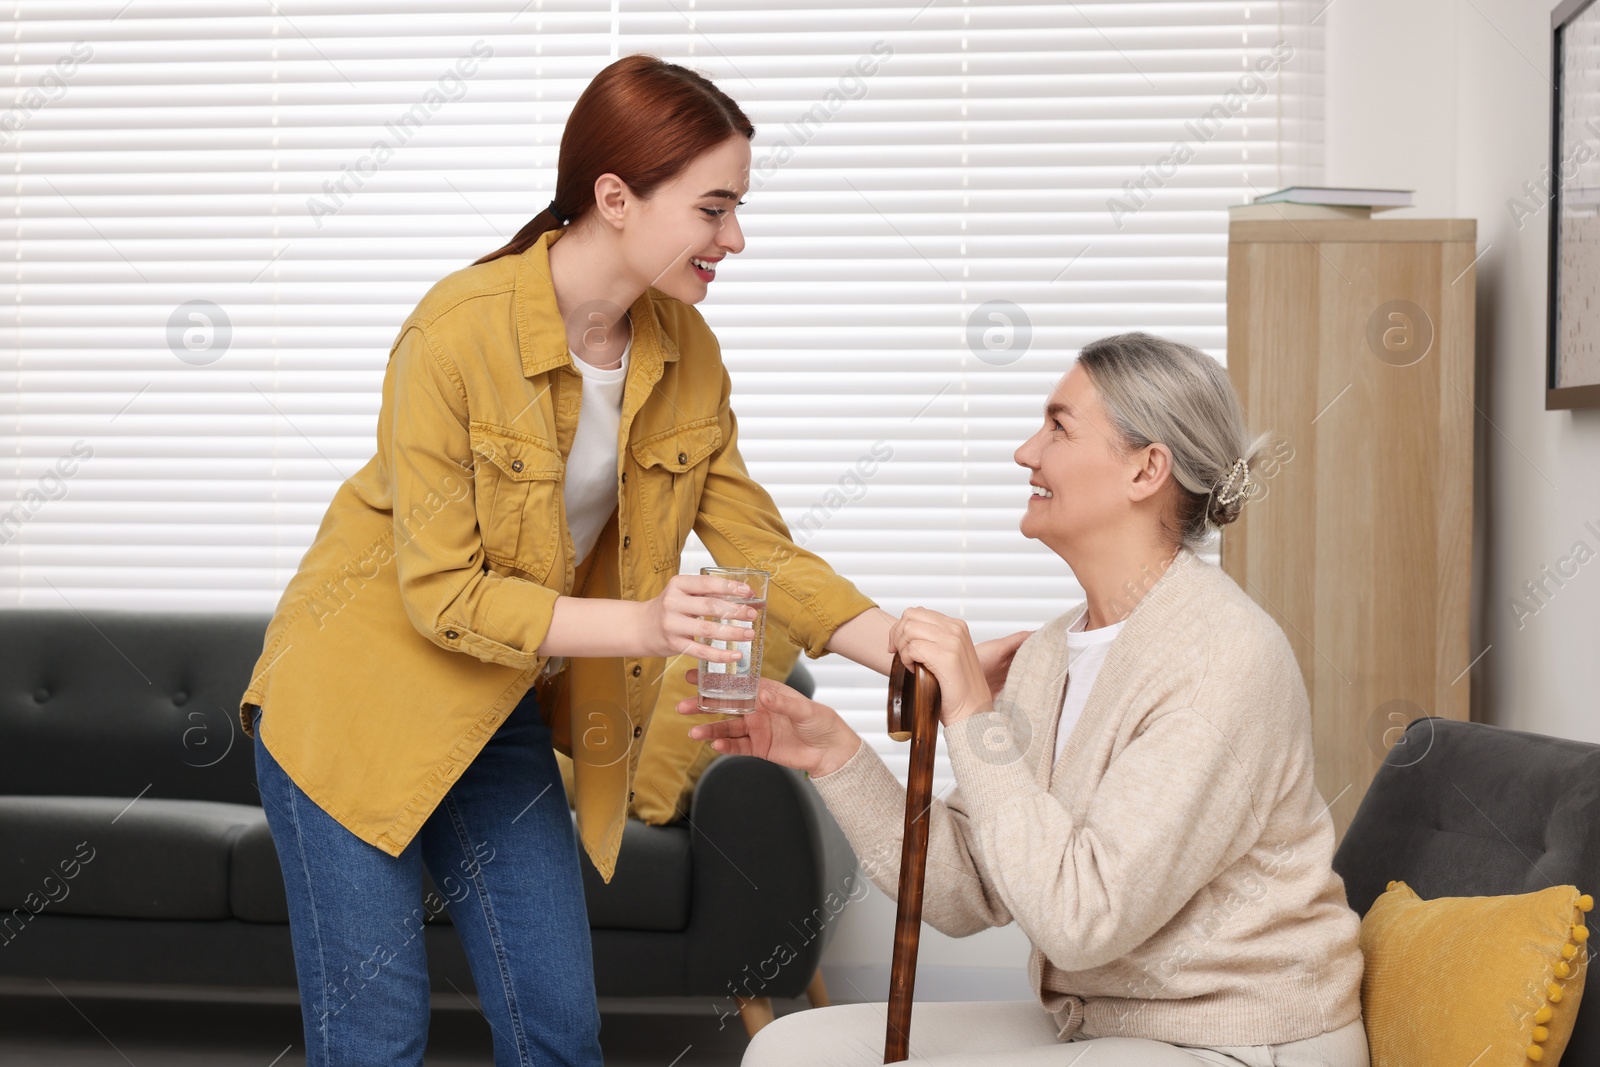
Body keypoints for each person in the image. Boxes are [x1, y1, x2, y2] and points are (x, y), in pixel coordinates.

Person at [236, 54, 1028, 1067]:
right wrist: (650, 623)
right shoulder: (453, 334)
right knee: (375, 1040)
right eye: (714, 207)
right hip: (352, 715)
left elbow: (760, 550)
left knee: (559, 1031)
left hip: (497, 714)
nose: (734, 236)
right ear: (615, 197)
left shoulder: (684, 352)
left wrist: (912, 655)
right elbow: (439, 594)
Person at [683, 332, 1371, 1067]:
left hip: (1238, 1035)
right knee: (790, 1051)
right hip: (1102, 1022)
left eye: (1058, 426)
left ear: (1147, 468)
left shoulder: (1221, 658)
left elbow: (1081, 917)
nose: (1024, 451)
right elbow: (964, 889)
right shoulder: (1049, 653)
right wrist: (831, 749)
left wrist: (973, 715)